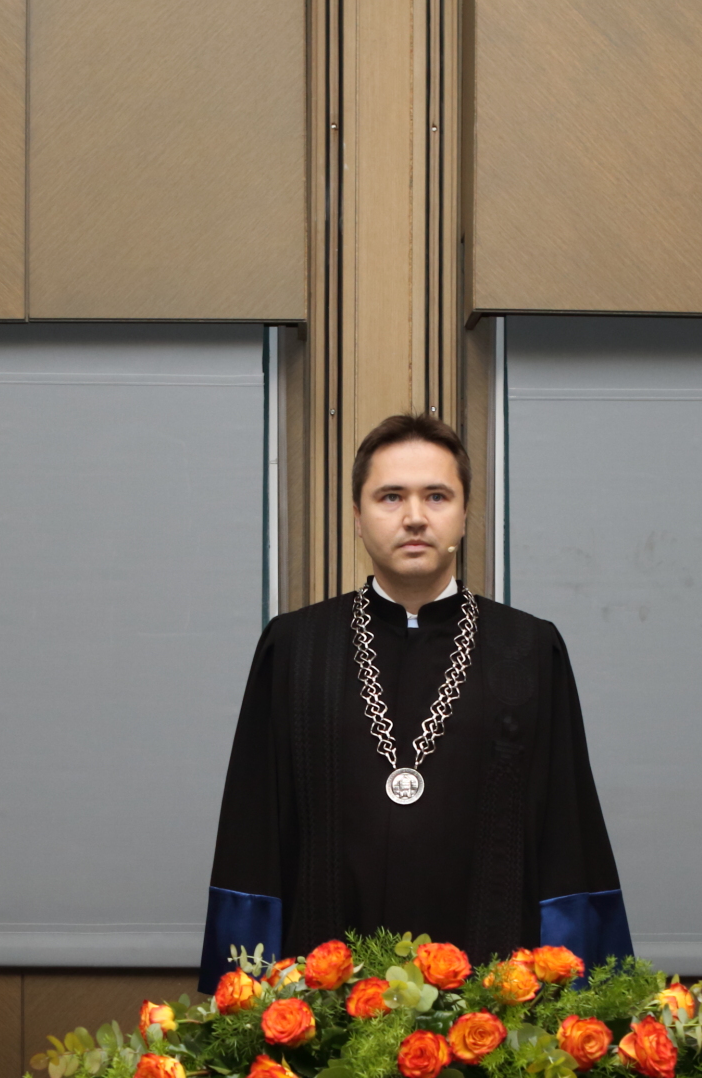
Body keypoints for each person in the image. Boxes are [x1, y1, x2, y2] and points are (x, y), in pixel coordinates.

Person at [200, 412, 629, 976]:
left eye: (436, 496)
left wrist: (583, 986)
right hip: (323, 983)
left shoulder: (528, 648)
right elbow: (254, 827)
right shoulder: (294, 647)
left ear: (465, 514)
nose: (415, 517)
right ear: (358, 517)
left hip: (493, 981)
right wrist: (245, 984)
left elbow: (568, 829)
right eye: (391, 497)